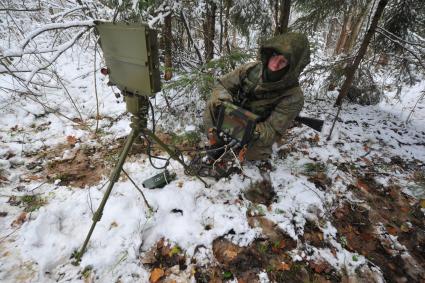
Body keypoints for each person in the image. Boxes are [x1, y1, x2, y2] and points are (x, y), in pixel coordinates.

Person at [203, 32, 311, 161]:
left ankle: (233, 143)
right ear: (269, 54)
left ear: (291, 67)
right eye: (275, 56)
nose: (275, 64)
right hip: (233, 112)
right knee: (212, 105)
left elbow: (272, 131)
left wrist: (243, 130)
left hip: (256, 128)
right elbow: (223, 85)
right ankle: (216, 140)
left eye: (283, 61)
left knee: (253, 154)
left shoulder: (294, 96)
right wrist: (224, 105)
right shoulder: (251, 69)